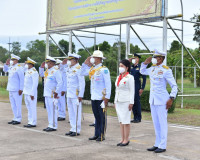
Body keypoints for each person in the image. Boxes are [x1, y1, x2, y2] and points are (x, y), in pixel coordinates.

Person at [140, 49, 178, 153]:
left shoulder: (166, 70)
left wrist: (171, 98)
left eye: (155, 57)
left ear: (161, 59)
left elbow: (174, 86)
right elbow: (142, 71)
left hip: (162, 100)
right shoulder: (152, 68)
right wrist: (145, 63)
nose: (153, 59)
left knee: (162, 123)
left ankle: (163, 145)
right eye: (153, 57)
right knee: (156, 123)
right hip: (153, 100)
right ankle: (157, 144)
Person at [81, 49, 111, 142]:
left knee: (101, 117)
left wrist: (107, 97)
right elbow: (82, 72)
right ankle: (96, 134)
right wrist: (85, 63)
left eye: (94, 57)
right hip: (94, 96)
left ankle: (102, 135)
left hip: (101, 97)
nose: (92, 59)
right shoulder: (92, 69)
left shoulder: (104, 69)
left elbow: (108, 84)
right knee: (96, 117)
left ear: (98, 59)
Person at [62, 53, 85, 137]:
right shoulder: (69, 68)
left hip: (76, 94)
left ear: (75, 60)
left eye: (70, 60)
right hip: (69, 94)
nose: (69, 61)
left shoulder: (79, 69)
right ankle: (72, 128)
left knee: (77, 112)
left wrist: (80, 95)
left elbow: (82, 83)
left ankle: (77, 130)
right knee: (71, 112)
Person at [114, 59, 135, 147]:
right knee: (121, 121)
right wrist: (115, 101)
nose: (120, 68)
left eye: (122, 66)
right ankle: (122, 138)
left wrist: (131, 102)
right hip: (119, 101)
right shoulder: (119, 77)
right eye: (119, 66)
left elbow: (132, 91)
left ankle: (126, 139)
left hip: (126, 101)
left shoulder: (130, 77)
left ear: (127, 67)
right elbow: (117, 90)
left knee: (126, 121)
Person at [39, 56, 62, 132]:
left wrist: (57, 92)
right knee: (49, 110)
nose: (46, 64)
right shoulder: (47, 71)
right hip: (47, 93)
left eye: (47, 62)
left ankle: (54, 126)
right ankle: (50, 124)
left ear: (51, 63)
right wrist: (41, 67)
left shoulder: (56, 71)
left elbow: (60, 82)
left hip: (53, 94)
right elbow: (41, 75)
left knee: (53, 110)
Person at [3, 54, 24, 125]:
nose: (12, 61)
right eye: (11, 60)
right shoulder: (11, 67)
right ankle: (15, 117)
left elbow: (22, 79)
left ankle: (18, 119)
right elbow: (5, 70)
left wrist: (21, 88)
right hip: (11, 88)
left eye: (13, 60)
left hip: (17, 89)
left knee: (18, 104)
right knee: (13, 105)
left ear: (17, 60)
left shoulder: (19, 67)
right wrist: (6, 64)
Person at [129, 54, 146, 123]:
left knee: (137, 102)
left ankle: (138, 118)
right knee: (132, 101)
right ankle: (134, 117)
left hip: (136, 86)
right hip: (130, 86)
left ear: (138, 59)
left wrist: (142, 88)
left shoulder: (140, 67)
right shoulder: (130, 67)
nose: (133, 59)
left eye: (135, 58)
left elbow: (144, 79)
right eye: (133, 58)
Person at [23, 57, 39, 128]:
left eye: (28, 64)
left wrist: (32, 94)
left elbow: (35, 84)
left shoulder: (34, 72)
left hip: (31, 93)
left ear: (31, 64)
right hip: (26, 92)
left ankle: (33, 122)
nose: (26, 65)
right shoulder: (27, 71)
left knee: (32, 108)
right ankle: (30, 121)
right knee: (28, 108)